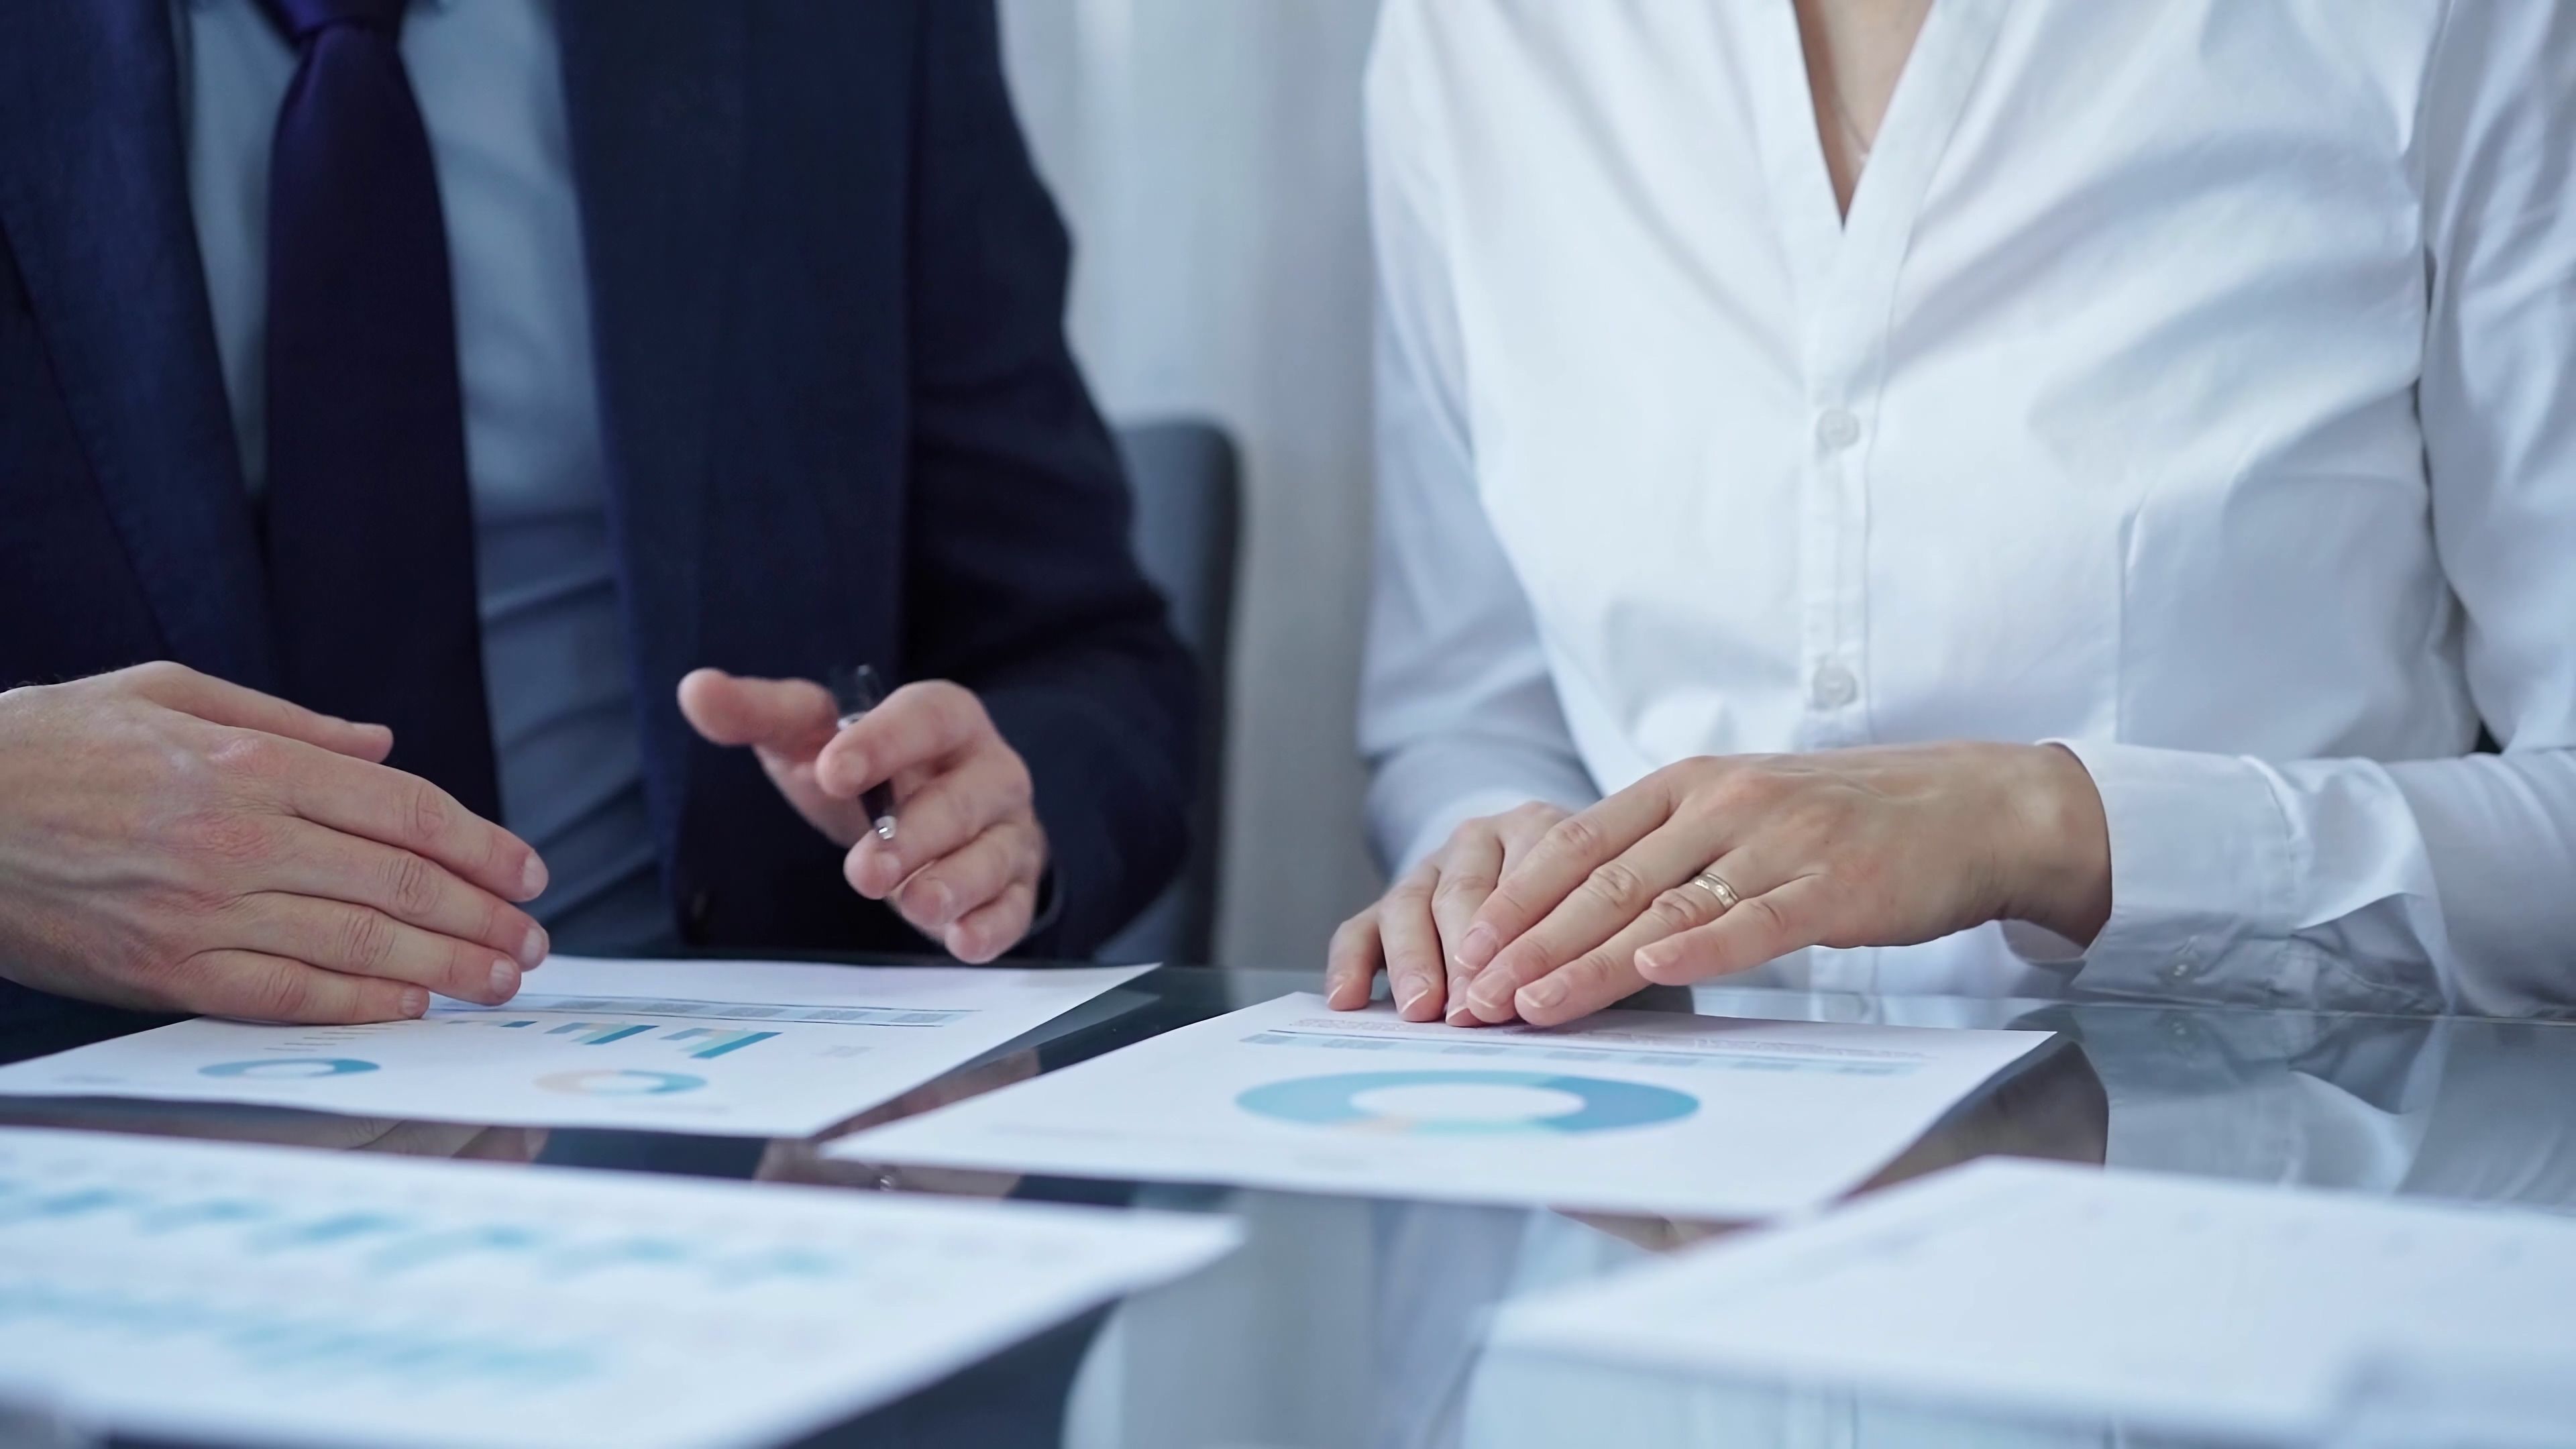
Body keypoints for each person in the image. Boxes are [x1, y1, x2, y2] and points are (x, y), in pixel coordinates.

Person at [1327, 0, 2576, 1027]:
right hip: (1636, 1215)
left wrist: (2055, 830)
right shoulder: (1475, 40)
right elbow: (1465, 710)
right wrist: (1491, 874)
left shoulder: (2454, 28)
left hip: (2249, 1210)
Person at [0, 1, 1191, 1029]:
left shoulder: (848, 29)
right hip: (89, 1127)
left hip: (726, 1110)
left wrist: (986, 812)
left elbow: (1095, 665)